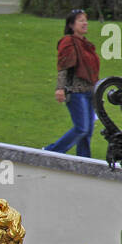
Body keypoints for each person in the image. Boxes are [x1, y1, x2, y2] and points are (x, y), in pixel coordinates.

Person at [43, 9, 99, 157]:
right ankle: (51, 152)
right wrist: (60, 89)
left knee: (88, 131)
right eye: (80, 20)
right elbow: (64, 66)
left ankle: (84, 161)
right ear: (71, 25)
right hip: (75, 91)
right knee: (81, 128)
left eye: (85, 20)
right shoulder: (68, 42)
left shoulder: (86, 45)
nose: (85, 23)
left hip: (89, 91)